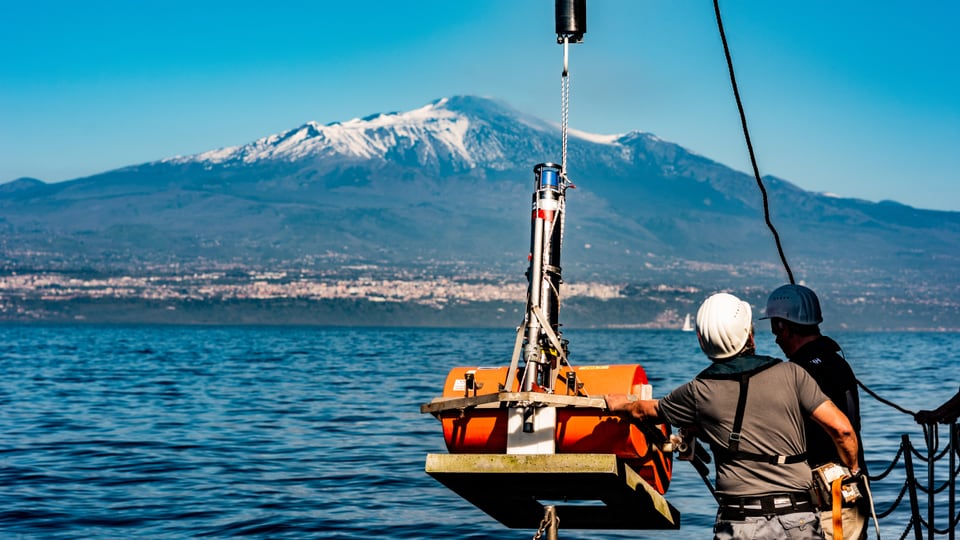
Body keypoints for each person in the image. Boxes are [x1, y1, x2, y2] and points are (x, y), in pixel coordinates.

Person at [607, 292, 860, 540]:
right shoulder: (793, 374)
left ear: (703, 341)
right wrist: (854, 471)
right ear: (748, 333)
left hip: (739, 521)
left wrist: (616, 404)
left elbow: (645, 410)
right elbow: (843, 430)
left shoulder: (698, 391)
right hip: (798, 517)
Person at [763, 284, 867, 540]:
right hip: (848, 494)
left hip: (828, 499)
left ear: (783, 326)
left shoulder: (798, 372)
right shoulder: (836, 362)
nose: (776, 338)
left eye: (775, 327)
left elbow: (841, 429)